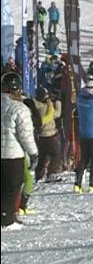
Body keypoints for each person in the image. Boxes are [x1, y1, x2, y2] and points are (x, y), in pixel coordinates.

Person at [1, 74, 39, 230]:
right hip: (13, 154)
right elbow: (25, 135)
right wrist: (33, 153)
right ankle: (8, 219)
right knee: (13, 187)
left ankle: (4, 215)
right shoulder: (20, 108)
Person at [33, 87, 62, 183]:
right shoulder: (44, 107)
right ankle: (51, 173)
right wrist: (57, 102)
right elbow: (56, 114)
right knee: (56, 154)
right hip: (48, 134)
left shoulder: (35, 106)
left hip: (40, 136)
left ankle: (39, 174)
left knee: (43, 155)